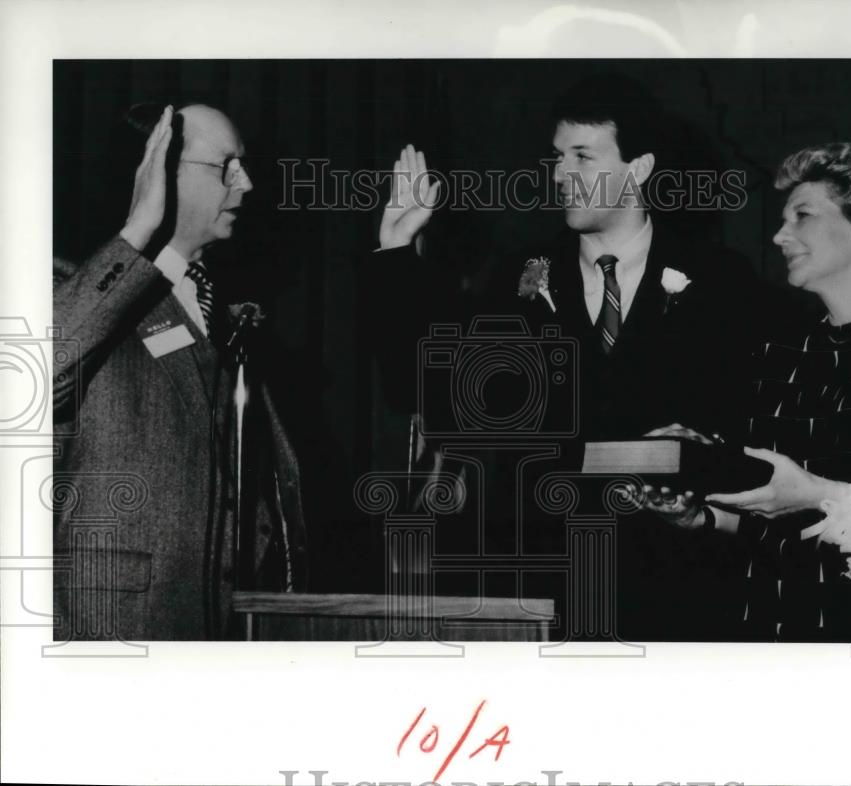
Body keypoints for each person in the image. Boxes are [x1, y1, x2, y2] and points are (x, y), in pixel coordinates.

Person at [368, 74, 763, 640]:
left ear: (639, 168)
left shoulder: (722, 279)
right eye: (557, 157)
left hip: (678, 588)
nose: (560, 175)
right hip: (546, 587)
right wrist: (396, 252)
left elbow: (747, 426)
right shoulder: (515, 277)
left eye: (583, 156)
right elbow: (424, 391)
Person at [633, 142, 851, 642]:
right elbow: (776, 520)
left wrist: (824, 494)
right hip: (774, 634)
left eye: (802, 215)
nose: (780, 235)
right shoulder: (780, 353)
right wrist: (704, 515)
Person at [52, 104, 308, 641]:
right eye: (225, 166)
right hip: (112, 635)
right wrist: (140, 229)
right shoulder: (74, 287)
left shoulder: (224, 312)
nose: (247, 182)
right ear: (160, 170)